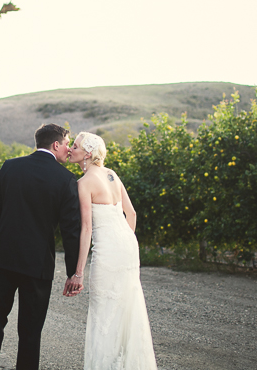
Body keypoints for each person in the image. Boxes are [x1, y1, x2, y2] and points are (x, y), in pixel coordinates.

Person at [0, 123, 82, 370]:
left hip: (0, 261)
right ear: (56, 145)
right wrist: (72, 272)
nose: (68, 149)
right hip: (37, 266)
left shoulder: (10, 167)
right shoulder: (66, 179)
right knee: (30, 333)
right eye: (67, 144)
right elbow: (70, 231)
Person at [67, 131, 158, 370]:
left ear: (87, 153)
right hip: (128, 246)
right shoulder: (111, 175)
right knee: (128, 305)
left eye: (75, 146)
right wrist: (125, 241)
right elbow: (132, 214)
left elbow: (86, 229)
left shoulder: (83, 183)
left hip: (107, 251)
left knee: (104, 311)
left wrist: (78, 272)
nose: (71, 150)